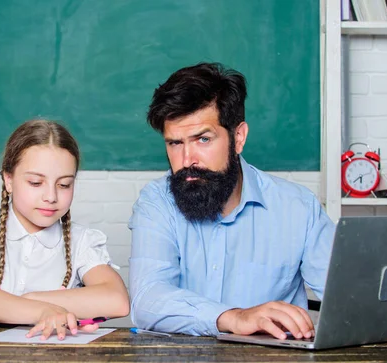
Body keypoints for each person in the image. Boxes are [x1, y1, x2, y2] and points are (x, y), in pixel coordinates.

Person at [129, 63, 334, 339]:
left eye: (203, 139)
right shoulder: (156, 203)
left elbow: (347, 299)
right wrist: (233, 318)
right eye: (175, 143)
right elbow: (147, 300)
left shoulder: (298, 208)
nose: (187, 160)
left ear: (238, 138)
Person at [0, 119, 129, 340]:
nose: (51, 197)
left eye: (64, 185)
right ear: (8, 179)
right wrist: (45, 311)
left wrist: (25, 300)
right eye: (36, 182)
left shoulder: (82, 240)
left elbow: (117, 301)